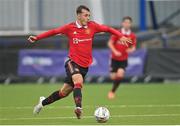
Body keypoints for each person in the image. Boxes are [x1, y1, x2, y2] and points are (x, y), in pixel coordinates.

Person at [28, 5, 132, 119]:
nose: (88, 17)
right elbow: (53, 31)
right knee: (78, 81)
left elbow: (108, 29)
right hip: (72, 62)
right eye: (85, 15)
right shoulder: (70, 28)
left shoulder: (92, 26)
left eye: (89, 15)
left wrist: (120, 36)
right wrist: (37, 38)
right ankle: (78, 108)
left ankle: (42, 103)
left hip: (85, 66)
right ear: (78, 15)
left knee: (63, 93)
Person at [108, 16, 136, 99]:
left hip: (123, 59)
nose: (127, 24)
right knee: (113, 76)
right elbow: (110, 43)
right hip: (114, 59)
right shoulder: (118, 33)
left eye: (128, 23)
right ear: (122, 23)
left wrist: (131, 50)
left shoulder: (132, 36)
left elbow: (133, 46)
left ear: (130, 24)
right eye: (125, 22)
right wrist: (115, 51)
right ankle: (115, 84)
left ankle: (112, 92)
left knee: (120, 74)